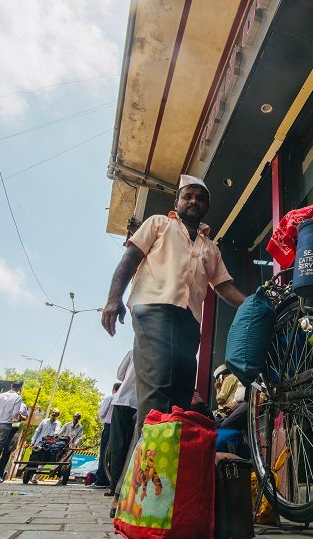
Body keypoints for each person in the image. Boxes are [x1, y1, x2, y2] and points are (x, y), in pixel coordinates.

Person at [101, 174, 246, 431]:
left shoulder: (210, 248)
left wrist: (252, 305)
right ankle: (148, 463)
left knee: (181, 394)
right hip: (154, 309)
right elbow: (130, 259)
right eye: (187, 196)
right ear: (177, 201)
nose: (193, 201)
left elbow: (223, 286)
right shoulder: (158, 224)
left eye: (200, 198)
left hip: (189, 321)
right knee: (159, 386)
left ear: (206, 207)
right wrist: (114, 299)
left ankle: (164, 463)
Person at [107, 351, 137, 503]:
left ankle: (114, 486)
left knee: (117, 445)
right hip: (140, 403)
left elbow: (120, 375)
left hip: (122, 400)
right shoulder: (158, 350)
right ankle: (126, 486)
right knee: (133, 445)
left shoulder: (133, 352)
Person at [90, 383, 120, 489]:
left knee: (103, 453)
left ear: (113, 389)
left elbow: (102, 413)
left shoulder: (110, 398)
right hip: (119, 429)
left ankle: (101, 480)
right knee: (114, 454)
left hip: (108, 427)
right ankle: (111, 479)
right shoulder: (122, 399)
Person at [28, 408, 61, 484]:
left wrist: (56, 434)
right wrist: (33, 441)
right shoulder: (44, 421)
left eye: (56, 413)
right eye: (53, 412)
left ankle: (34, 478)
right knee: (33, 459)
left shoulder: (58, 423)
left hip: (49, 444)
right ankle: (29, 475)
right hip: (39, 442)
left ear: (58, 415)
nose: (54, 414)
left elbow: (57, 431)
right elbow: (37, 431)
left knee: (42, 460)